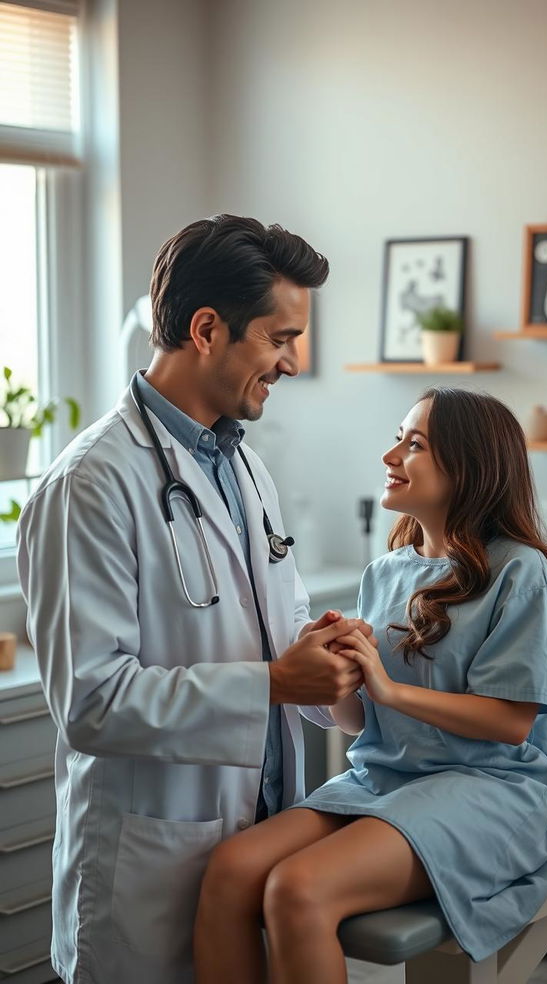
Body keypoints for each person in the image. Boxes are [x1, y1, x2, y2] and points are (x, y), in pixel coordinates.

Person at [16, 215, 372, 984]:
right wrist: (276, 682)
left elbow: (274, 639)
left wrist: (331, 660)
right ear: (207, 328)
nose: (293, 362)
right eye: (279, 337)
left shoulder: (244, 469)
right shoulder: (91, 485)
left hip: (264, 841)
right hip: (152, 863)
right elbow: (90, 703)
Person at [193, 387, 547, 984]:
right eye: (398, 437)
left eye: (415, 443)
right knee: (230, 869)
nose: (390, 455)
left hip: (493, 787)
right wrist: (336, 673)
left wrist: (390, 688)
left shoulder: (519, 572)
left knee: (298, 889)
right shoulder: (386, 572)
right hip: (385, 780)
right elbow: (358, 722)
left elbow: (510, 723)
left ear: (470, 465)